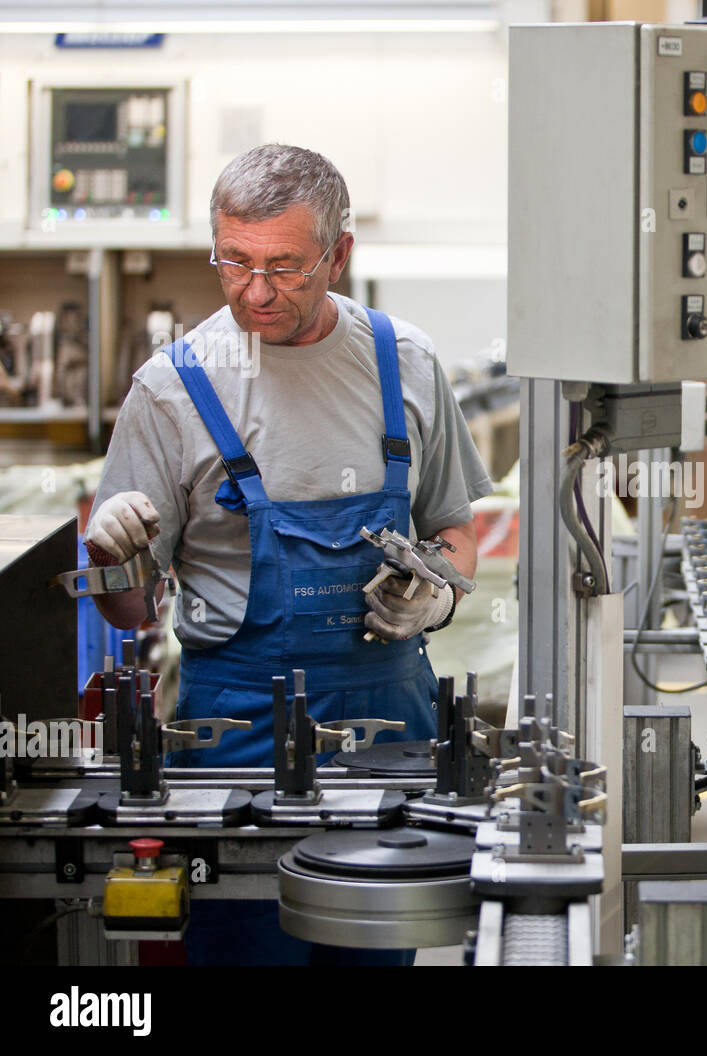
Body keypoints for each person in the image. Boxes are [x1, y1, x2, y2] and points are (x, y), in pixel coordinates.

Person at [84, 144, 493, 965]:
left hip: (390, 734)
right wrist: (114, 558)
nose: (256, 291)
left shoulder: (402, 361)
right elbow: (129, 612)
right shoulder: (172, 388)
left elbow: (454, 532)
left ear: (339, 254)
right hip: (228, 741)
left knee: (375, 954)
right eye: (232, 262)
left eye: (285, 266)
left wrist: (438, 595)